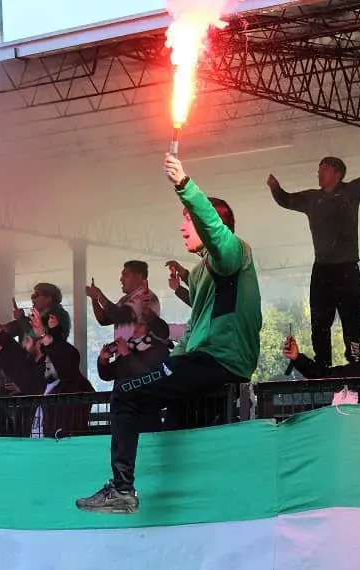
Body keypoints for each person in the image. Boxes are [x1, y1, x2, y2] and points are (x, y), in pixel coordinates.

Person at [75, 154, 262, 514]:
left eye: (188, 221)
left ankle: (122, 489)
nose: (182, 229)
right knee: (175, 423)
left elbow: (218, 237)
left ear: (212, 224)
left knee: (126, 397)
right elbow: (199, 321)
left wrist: (184, 186)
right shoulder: (208, 269)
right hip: (208, 362)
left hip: (217, 362)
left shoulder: (236, 251)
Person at [267, 137, 360, 367]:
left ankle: (355, 360)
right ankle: (322, 363)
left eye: (323, 169)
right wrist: (275, 187)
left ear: (337, 172)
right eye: (319, 170)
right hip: (322, 268)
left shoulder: (351, 191)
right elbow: (286, 200)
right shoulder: (312, 198)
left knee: (352, 319)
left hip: (346, 268)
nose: (318, 174)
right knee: (319, 321)